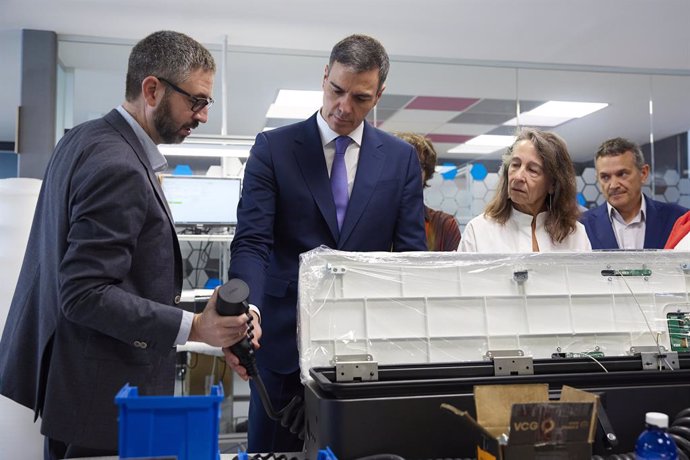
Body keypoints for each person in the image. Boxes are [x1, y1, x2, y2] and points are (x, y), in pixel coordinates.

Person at [0, 31, 252, 460]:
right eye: (197, 101)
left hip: (76, 389)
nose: (203, 116)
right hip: (105, 399)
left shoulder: (83, 139)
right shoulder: (118, 165)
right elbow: (83, 294)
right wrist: (195, 328)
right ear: (151, 89)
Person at [226, 34, 427, 452]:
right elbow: (253, 243)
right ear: (324, 77)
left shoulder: (400, 159)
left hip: (366, 352)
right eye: (337, 90)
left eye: (361, 98)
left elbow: (410, 259)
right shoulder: (274, 148)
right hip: (281, 345)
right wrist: (248, 310)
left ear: (379, 94)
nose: (344, 107)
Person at [459, 128, 591, 252]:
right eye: (515, 165)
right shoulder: (478, 231)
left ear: (552, 184)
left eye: (532, 170)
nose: (518, 177)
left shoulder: (575, 235)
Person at [581, 137, 687, 249]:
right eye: (605, 177)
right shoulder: (582, 226)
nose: (613, 185)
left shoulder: (678, 219)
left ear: (643, 173)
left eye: (622, 174)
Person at [395, 132, 461, 251]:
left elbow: (452, 269)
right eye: (401, 165)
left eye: (417, 166)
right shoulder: (371, 220)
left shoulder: (443, 225)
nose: (408, 173)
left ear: (426, 174)